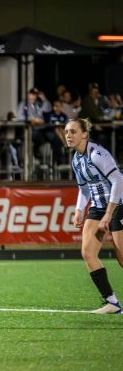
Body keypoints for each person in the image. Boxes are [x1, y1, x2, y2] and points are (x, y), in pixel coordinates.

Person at [64, 118, 123, 314]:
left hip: (118, 205)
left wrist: (109, 213)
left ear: (84, 134)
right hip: (98, 208)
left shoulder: (97, 154)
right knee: (88, 253)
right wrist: (79, 210)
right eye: (66, 132)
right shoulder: (76, 160)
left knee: (122, 257)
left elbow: (118, 180)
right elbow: (84, 190)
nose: (68, 136)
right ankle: (113, 304)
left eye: (73, 131)